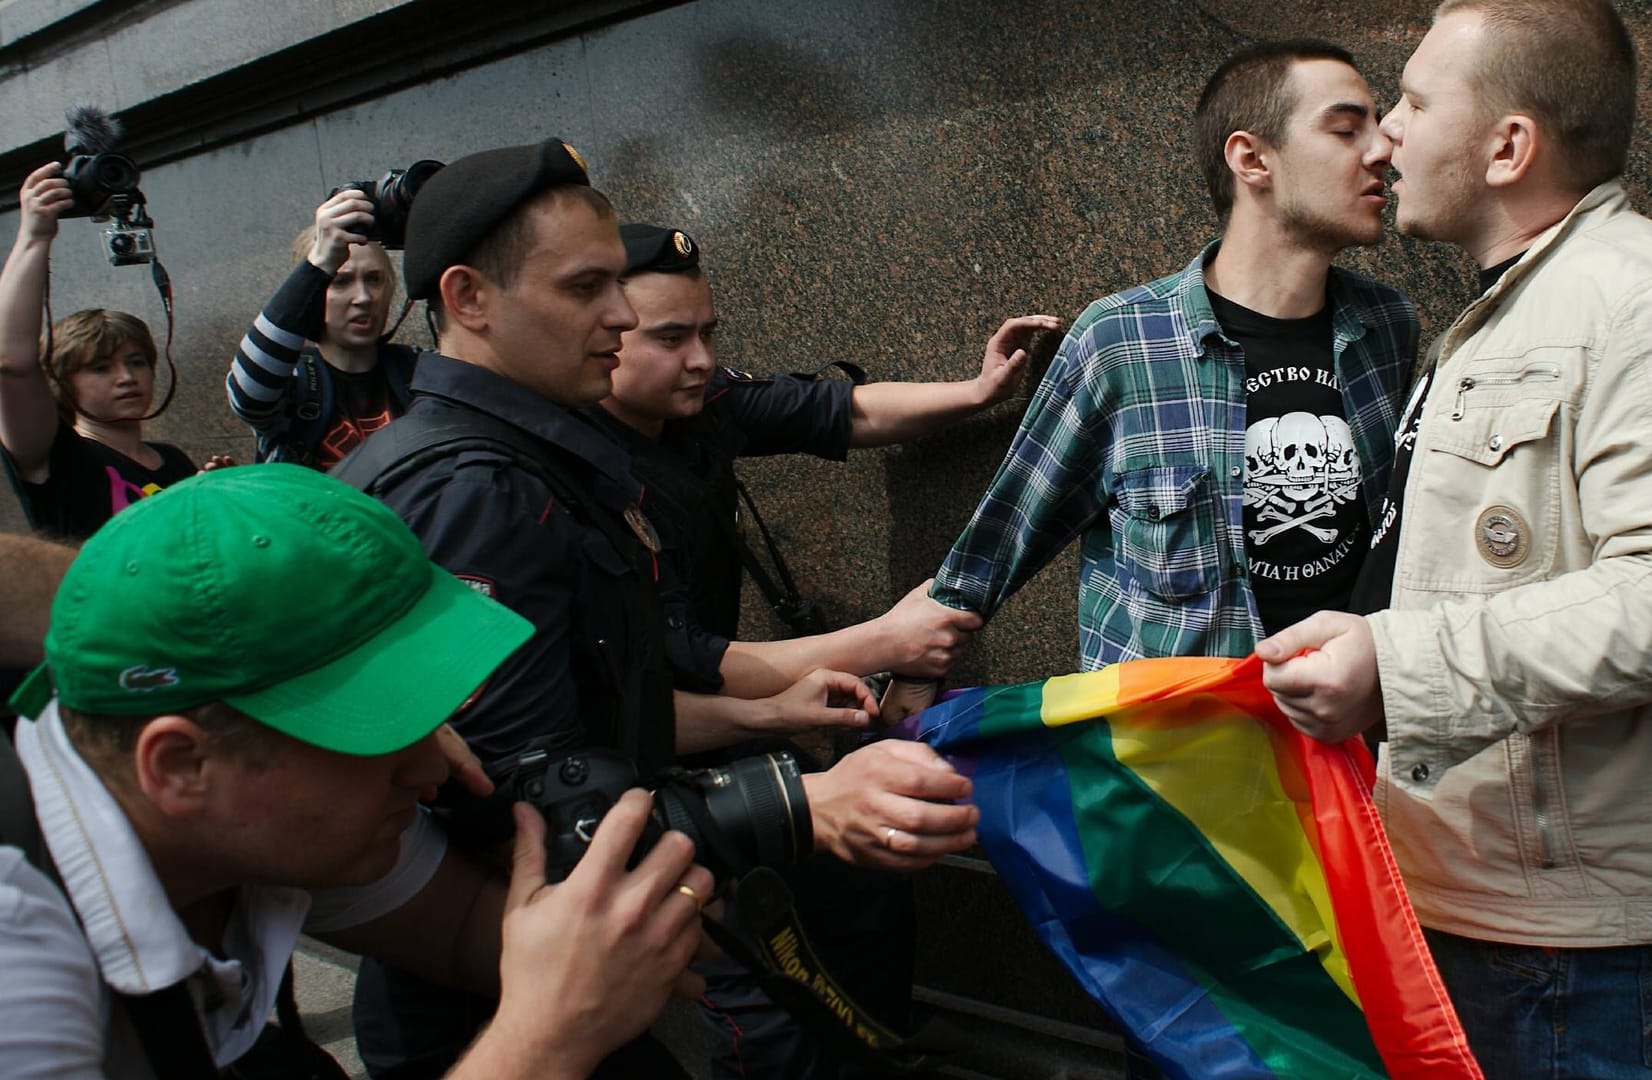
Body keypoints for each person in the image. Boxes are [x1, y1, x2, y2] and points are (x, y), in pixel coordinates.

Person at [335, 138, 979, 1079]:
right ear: (468, 300)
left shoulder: (534, 460)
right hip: (501, 1004)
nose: (623, 315)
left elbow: (603, 708)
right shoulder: (475, 488)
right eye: (585, 288)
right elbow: (536, 805)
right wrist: (801, 805)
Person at [1256, 3, 1652, 1078]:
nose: (1388, 135)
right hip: (1485, 898)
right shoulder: (1516, 312)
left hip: (1562, 944)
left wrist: (1395, 665)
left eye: (1412, 102)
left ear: (1510, 147)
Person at [0, 464, 714, 1079]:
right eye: (372, 730)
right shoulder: (16, 963)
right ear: (183, 765)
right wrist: (548, 1039)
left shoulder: (253, 814)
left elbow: (468, 927)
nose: (433, 767)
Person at [586, 224, 1055, 1077]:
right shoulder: (574, 473)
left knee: (863, 893)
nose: (700, 358)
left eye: (709, 333)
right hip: (637, 772)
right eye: (670, 338)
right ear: (602, 332)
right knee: (760, 992)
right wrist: (887, 638)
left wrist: (978, 391)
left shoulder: (699, 405)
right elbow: (684, 659)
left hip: (728, 732)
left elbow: (840, 412)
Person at [929, 40, 1418, 671]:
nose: (1382, 150)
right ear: (1252, 159)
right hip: (1176, 746)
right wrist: (912, 675)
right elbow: (1001, 537)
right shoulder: (1123, 341)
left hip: (1342, 737)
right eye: (1347, 129)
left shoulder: (1386, 326)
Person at [0, 163, 228, 539]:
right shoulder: (56, 456)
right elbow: (12, 363)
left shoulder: (173, 460)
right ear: (62, 380)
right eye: (100, 368)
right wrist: (34, 235)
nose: (126, 378)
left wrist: (206, 498)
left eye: (137, 362)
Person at [227, 188, 417, 466]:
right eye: (340, 281)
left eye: (374, 279)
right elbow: (247, 395)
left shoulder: (418, 370)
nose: (363, 297)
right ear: (310, 291)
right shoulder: (295, 382)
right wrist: (321, 260)